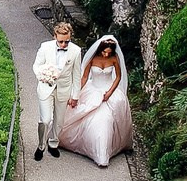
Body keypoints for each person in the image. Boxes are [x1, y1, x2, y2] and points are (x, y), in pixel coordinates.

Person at [57, 35, 133, 167]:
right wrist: (76, 93)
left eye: (108, 53)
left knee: (105, 119)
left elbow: (118, 77)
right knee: (85, 117)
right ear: (100, 50)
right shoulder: (92, 59)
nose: (105, 55)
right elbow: (85, 77)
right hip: (93, 89)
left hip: (108, 91)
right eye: (104, 52)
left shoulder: (114, 59)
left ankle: (102, 154)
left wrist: (109, 93)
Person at [31, 20, 83, 160]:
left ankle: (53, 143)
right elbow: (36, 65)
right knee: (46, 119)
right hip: (46, 88)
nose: (64, 44)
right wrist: (43, 75)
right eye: (61, 42)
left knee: (59, 121)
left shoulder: (76, 51)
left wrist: (75, 95)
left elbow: (77, 75)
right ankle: (41, 146)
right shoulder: (45, 47)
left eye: (67, 41)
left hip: (64, 90)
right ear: (54, 36)